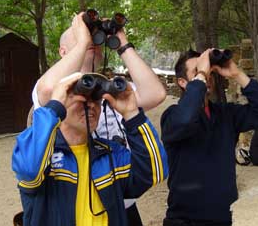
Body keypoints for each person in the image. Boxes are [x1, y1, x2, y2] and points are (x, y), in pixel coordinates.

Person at [31, 12, 166, 225]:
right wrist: (82, 42)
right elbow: (48, 90)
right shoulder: (57, 89)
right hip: (72, 204)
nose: (90, 40)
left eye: (93, 38)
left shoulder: (110, 89)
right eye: (82, 37)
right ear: (63, 51)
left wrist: (122, 43)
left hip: (121, 201)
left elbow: (156, 93)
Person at [12, 72, 168, 226]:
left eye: (96, 98)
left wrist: (132, 114)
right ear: (62, 101)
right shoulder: (43, 154)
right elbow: (28, 170)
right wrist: (53, 107)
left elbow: (155, 172)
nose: (91, 104)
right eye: (81, 97)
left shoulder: (110, 155)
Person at [161, 49, 258, 226]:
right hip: (184, 219)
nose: (206, 76)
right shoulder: (171, 116)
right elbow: (185, 120)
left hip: (224, 218)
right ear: (182, 82)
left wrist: (237, 73)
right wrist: (201, 73)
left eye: (209, 71)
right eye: (197, 71)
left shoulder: (227, 114)